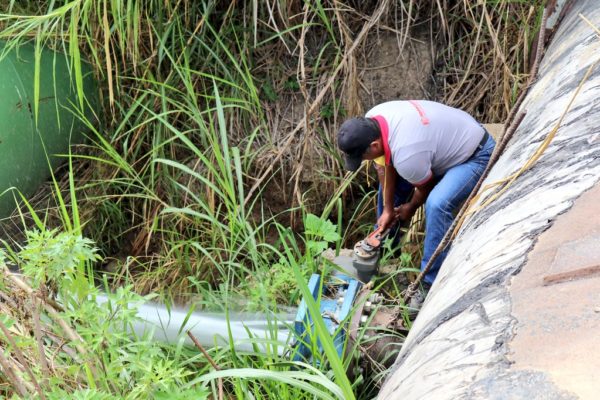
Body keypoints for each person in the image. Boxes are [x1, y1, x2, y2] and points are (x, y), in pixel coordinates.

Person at [337, 100, 495, 306]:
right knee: (390, 192)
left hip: (475, 154)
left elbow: (425, 188)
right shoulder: (374, 118)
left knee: (437, 205)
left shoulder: (407, 153)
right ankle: (386, 255)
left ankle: (427, 283)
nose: (364, 161)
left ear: (374, 145)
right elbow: (384, 166)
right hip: (442, 141)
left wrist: (410, 208)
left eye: (363, 157)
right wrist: (387, 209)